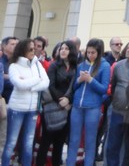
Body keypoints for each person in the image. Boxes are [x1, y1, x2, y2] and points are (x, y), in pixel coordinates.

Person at [1, 37, 50, 166]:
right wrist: (36, 79)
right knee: (11, 142)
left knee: (29, 143)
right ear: (23, 50)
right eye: (30, 49)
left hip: (33, 108)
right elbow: (18, 84)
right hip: (17, 109)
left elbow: (46, 83)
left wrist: (30, 84)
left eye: (34, 48)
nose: (34, 51)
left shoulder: (37, 64)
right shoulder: (14, 65)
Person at [65, 38, 111, 166]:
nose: (90, 55)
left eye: (93, 53)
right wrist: (79, 80)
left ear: (99, 52)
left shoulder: (105, 65)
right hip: (77, 107)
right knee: (74, 140)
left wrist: (90, 79)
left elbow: (104, 89)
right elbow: (73, 87)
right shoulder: (81, 65)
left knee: (90, 141)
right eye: (88, 52)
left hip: (93, 108)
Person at [35, 40, 78, 166]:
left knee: (60, 142)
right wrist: (62, 100)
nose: (63, 51)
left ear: (72, 51)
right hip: (53, 106)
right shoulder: (54, 65)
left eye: (66, 48)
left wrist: (69, 100)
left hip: (68, 107)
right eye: (61, 48)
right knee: (46, 140)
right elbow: (50, 85)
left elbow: (75, 86)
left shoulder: (76, 67)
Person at [106, 40, 129, 166]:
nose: (128, 49)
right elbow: (114, 84)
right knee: (112, 146)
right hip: (118, 111)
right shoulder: (119, 66)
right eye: (128, 47)